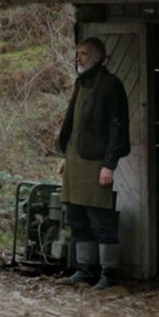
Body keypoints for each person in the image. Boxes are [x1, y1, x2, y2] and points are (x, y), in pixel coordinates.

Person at [57, 36, 130, 289]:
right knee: (76, 217)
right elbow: (76, 128)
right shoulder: (81, 83)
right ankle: (85, 270)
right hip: (75, 160)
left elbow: (117, 129)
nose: (78, 57)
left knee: (101, 219)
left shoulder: (111, 86)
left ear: (98, 57)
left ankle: (109, 275)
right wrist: (67, 157)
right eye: (78, 53)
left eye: (84, 54)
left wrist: (109, 164)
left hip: (97, 162)